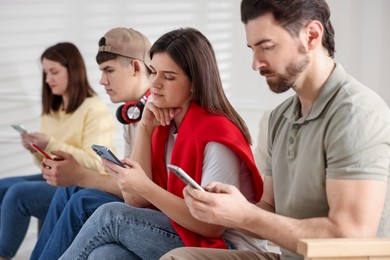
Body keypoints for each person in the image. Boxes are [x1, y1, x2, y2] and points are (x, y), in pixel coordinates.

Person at [160, 0, 390, 260]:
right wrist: (225, 209)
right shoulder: (280, 117)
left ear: (311, 35)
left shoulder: (357, 113)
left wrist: (245, 215)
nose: (256, 64)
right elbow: (269, 208)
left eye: (266, 47)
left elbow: (350, 236)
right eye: (252, 49)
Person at [58, 27, 264, 260]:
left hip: (227, 247)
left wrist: (144, 186)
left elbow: (211, 226)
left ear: (195, 83)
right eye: (154, 72)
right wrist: (145, 129)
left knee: (110, 215)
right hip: (181, 231)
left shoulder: (218, 135)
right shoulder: (162, 125)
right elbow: (135, 200)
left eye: (168, 77)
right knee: (105, 255)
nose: (154, 84)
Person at [30, 27, 153, 260]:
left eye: (109, 70)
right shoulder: (130, 114)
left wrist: (81, 175)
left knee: (81, 198)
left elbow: (138, 192)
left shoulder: (154, 114)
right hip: (136, 199)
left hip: (148, 207)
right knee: (71, 191)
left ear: (136, 67)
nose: (102, 80)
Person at [0, 42, 116, 260]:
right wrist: (36, 149)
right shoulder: (52, 108)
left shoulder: (94, 109)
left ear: (72, 71)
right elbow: (47, 164)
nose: (48, 79)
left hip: (85, 181)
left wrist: (50, 143)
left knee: (17, 194)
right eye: (45, 73)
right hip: (58, 176)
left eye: (54, 72)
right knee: (2, 187)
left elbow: (96, 162)